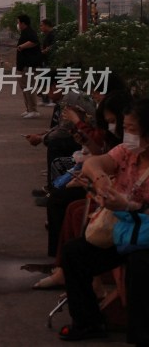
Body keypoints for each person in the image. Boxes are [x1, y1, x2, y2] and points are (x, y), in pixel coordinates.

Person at [58, 98, 149, 343]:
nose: (126, 135)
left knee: (140, 265)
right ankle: (88, 322)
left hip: (144, 236)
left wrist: (130, 206)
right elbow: (95, 162)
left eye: (132, 129)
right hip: (123, 230)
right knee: (74, 254)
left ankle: (141, 334)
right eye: (125, 128)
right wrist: (100, 179)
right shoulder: (127, 152)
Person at [15, 14, 42, 118]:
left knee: (30, 88)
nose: (17, 24)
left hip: (29, 66)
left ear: (23, 23)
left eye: (18, 22)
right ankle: (28, 109)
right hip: (23, 66)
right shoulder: (24, 33)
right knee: (25, 88)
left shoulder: (30, 32)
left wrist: (22, 46)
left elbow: (35, 42)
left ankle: (34, 110)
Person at [38, 18, 56, 107]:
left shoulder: (53, 35)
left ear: (46, 25)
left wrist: (44, 51)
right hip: (45, 61)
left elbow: (52, 47)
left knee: (50, 80)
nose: (40, 27)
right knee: (45, 80)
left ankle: (53, 99)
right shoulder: (47, 35)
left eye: (42, 25)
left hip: (50, 61)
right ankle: (45, 99)